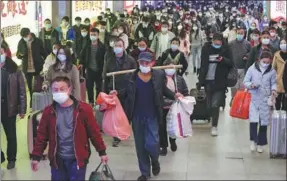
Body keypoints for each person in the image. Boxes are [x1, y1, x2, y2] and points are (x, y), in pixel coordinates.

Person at [30, 76, 108, 180]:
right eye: (55, 90)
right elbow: (41, 136)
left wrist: (102, 152)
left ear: (69, 89)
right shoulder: (48, 112)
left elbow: (94, 132)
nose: (58, 92)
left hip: (78, 159)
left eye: (62, 89)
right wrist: (36, 156)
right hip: (57, 160)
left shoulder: (84, 110)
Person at [120, 52, 183, 180]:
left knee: (153, 143)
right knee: (140, 146)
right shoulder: (131, 77)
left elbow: (163, 90)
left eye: (147, 63)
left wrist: (174, 95)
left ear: (152, 63)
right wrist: (115, 94)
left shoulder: (159, 75)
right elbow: (126, 93)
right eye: (141, 62)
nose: (144, 65)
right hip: (137, 116)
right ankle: (145, 173)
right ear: (138, 62)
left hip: (153, 115)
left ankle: (154, 160)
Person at [102, 38, 137, 147]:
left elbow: (135, 77)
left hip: (127, 92)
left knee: (127, 114)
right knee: (116, 115)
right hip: (114, 92)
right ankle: (116, 136)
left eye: (119, 45)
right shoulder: (109, 61)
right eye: (115, 45)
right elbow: (105, 77)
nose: (117, 48)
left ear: (124, 46)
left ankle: (125, 131)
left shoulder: (131, 60)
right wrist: (105, 93)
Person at [198, 33, 234, 136]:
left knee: (215, 104)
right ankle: (211, 118)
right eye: (215, 40)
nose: (217, 42)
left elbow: (231, 63)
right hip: (208, 81)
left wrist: (223, 60)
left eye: (219, 40)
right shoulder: (206, 49)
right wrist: (200, 80)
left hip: (220, 81)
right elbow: (203, 65)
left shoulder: (226, 49)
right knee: (209, 105)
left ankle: (214, 126)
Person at [244, 50, 277, 153]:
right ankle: (253, 141)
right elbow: (246, 81)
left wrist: (273, 90)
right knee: (253, 121)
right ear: (259, 60)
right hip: (254, 98)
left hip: (265, 99)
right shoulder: (252, 68)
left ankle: (261, 143)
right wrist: (251, 85)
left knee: (264, 122)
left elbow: (273, 83)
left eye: (268, 62)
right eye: (264, 61)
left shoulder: (272, 71)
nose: (266, 64)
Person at [1, 45, 27, 169]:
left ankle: (11, 158)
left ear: (5, 53)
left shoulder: (14, 69)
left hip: (8, 107)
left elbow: (22, 91)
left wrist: (22, 109)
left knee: (10, 134)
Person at [159, 59, 189, 156]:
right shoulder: (159, 79)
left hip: (175, 107)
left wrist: (184, 98)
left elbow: (185, 91)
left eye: (172, 67)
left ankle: (172, 140)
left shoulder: (179, 79)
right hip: (162, 106)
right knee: (162, 127)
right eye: (167, 67)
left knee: (172, 126)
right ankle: (163, 146)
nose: (170, 70)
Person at [16, 28, 47, 107]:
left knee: (38, 84)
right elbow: (18, 55)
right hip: (27, 68)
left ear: (30, 34)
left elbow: (43, 52)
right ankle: (32, 102)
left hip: (37, 66)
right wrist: (20, 55)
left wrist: (47, 62)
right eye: (23, 37)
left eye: (26, 36)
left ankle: (40, 101)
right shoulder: (21, 42)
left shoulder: (38, 41)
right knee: (30, 86)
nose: (25, 38)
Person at [78, 28, 106, 104]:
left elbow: (105, 58)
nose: (92, 36)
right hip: (89, 69)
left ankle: (98, 101)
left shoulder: (102, 47)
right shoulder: (87, 45)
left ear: (98, 35)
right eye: (91, 34)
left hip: (99, 69)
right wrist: (81, 63)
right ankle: (91, 101)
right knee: (89, 87)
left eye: (94, 34)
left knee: (99, 87)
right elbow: (82, 55)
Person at [228, 26, 251, 104]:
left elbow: (251, 53)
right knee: (234, 86)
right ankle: (233, 98)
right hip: (233, 68)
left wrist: (247, 56)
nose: (240, 35)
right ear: (236, 33)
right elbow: (227, 53)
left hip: (243, 68)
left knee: (242, 86)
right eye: (238, 33)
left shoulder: (247, 44)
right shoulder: (231, 44)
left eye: (241, 33)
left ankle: (240, 99)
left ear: (244, 34)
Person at [272, 38, 287, 111]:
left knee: (285, 104)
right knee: (277, 102)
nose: (283, 45)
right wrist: (275, 77)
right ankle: (277, 117)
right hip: (279, 80)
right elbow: (273, 67)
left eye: (284, 43)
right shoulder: (277, 55)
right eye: (281, 43)